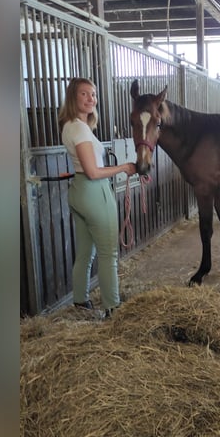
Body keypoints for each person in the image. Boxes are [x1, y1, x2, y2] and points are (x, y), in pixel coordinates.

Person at [57, 77, 137, 318]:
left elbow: (84, 167)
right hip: (94, 191)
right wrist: (123, 167)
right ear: (73, 97)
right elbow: (93, 172)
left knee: (85, 252)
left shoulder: (71, 126)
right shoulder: (79, 128)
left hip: (79, 192)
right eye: (84, 94)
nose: (91, 98)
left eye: (93, 94)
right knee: (107, 253)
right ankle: (112, 307)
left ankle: (80, 301)